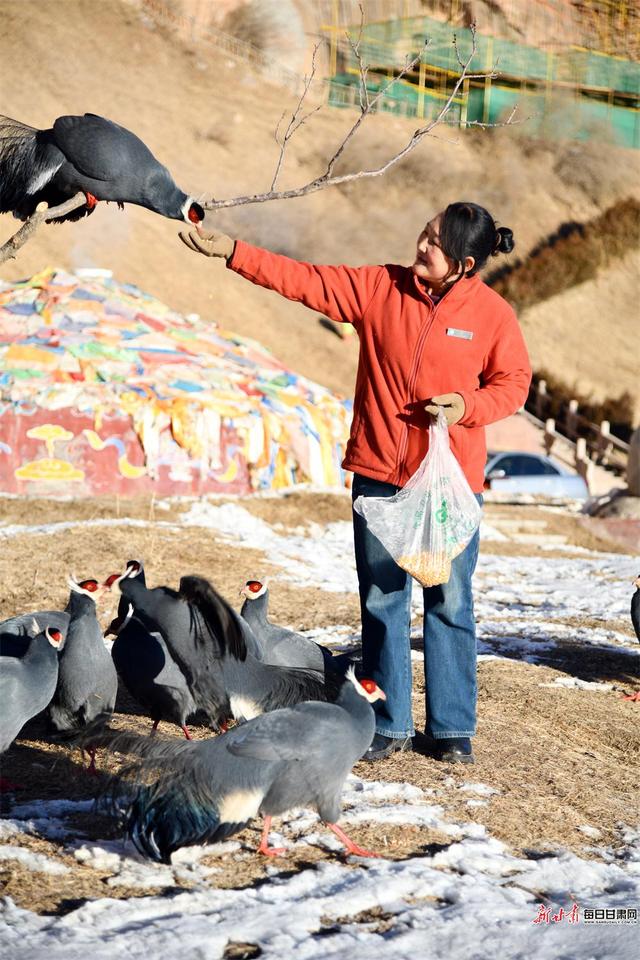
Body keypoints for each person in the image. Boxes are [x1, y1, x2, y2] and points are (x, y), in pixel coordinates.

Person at [179, 201, 532, 764]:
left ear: (465, 264)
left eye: (435, 244)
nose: (421, 246)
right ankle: (389, 723)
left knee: (449, 601)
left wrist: (467, 404)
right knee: (383, 599)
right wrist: (236, 254)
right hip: (379, 475)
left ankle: (451, 728)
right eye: (423, 232)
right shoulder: (379, 289)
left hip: (447, 486)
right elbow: (307, 281)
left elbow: (513, 384)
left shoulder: (492, 315)